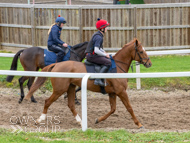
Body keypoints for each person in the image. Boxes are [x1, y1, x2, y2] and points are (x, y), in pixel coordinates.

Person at [85, 18, 111, 86]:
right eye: (106, 27)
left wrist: (104, 52)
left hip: (92, 54)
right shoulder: (99, 37)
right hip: (92, 56)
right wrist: (105, 55)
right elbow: (96, 50)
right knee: (108, 62)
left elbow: (99, 48)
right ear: (102, 28)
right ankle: (98, 80)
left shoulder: (98, 34)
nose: (107, 28)